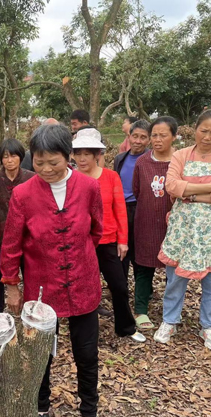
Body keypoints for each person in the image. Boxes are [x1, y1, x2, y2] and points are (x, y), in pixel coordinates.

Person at [1, 124, 105, 417]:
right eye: (39, 162)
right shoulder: (23, 194)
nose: (46, 169)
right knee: (40, 354)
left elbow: (97, 231)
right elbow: (11, 244)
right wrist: (12, 285)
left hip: (83, 284)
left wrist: (79, 256)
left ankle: (90, 412)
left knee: (86, 354)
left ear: (69, 157)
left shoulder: (89, 187)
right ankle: (41, 407)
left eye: (54, 163)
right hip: (41, 287)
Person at [154, 110, 211, 351]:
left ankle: (209, 325)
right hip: (184, 229)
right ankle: (170, 320)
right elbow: (171, 186)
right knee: (175, 280)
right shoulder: (181, 155)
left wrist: (190, 195)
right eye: (204, 130)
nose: (208, 137)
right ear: (195, 130)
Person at [74, 129, 146, 343]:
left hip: (108, 241)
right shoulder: (71, 178)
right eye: (78, 154)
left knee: (119, 285)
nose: (82, 158)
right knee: (83, 286)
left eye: (87, 153)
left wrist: (123, 240)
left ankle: (126, 327)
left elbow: (120, 209)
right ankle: (84, 331)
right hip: (82, 243)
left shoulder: (110, 177)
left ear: (97, 154)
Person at [131, 117, 178, 330]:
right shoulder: (142, 162)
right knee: (143, 266)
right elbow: (137, 190)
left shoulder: (180, 161)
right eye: (154, 135)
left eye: (163, 135)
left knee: (174, 269)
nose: (157, 140)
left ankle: (172, 312)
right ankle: (140, 309)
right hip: (146, 221)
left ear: (174, 137)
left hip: (175, 224)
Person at [0, 139, 35, 312]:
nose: (9, 160)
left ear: (21, 157)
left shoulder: (31, 178)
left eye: (13, 156)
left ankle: (30, 311)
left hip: (27, 237)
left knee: (30, 276)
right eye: (5, 157)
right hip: (0, 238)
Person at [114, 120, 151, 280]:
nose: (138, 141)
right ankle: (122, 285)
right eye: (135, 136)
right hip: (122, 209)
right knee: (121, 249)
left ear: (149, 140)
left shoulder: (150, 159)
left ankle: (142, 290)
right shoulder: (120, 159)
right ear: (129, 136)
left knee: (139, 252)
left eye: (143, 137)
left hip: (141, 210)